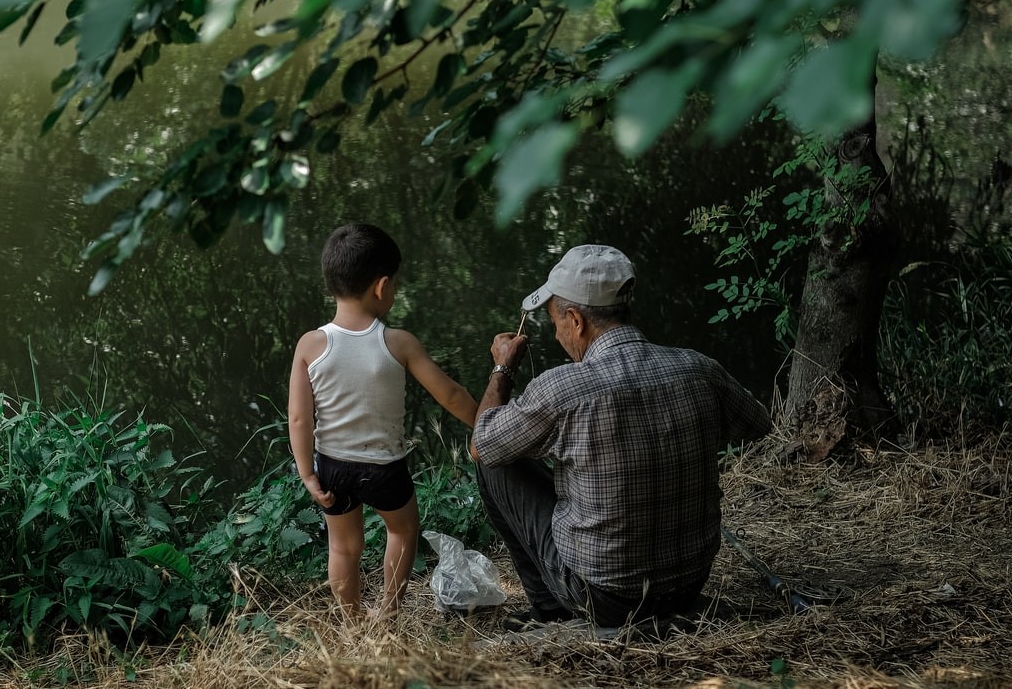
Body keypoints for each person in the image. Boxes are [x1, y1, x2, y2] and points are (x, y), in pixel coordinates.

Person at [471, 244, 772, 628]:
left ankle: (551, 609)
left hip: (606, 598)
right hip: (688, 585)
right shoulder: (699, 368)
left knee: (495, 466)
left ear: (576, 320)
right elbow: (758, 424)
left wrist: (502, 368)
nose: (557, 333)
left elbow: (482, 445)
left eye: (555, 322)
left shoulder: (563, 388)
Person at [289, 223, 479, 617]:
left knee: (343, 546)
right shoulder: (398, 342)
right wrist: (486, 421)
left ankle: (352, 620)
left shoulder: (310, 345)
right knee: (403, 529)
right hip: (385, 469)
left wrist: (309, 473)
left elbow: (298, 418)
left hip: (332, 466)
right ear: (382, 286)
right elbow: (450, 395)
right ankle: (388, 614)